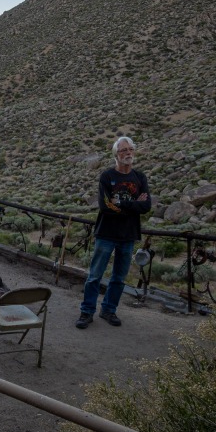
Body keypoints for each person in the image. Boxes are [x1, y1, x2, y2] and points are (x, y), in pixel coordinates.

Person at [76, 137, 151, 329]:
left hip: (128, 235)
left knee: (119, 277)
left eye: (131, 149)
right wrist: (134, 205)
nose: (128, 153)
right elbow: (106, 206)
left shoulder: (140, 177)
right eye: (123, 150)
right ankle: (87, 311)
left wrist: (121, 203)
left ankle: (109, 309)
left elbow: (146, 206)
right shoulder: (107, 176)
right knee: (95, 275)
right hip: (106, 233)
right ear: (116, 155)